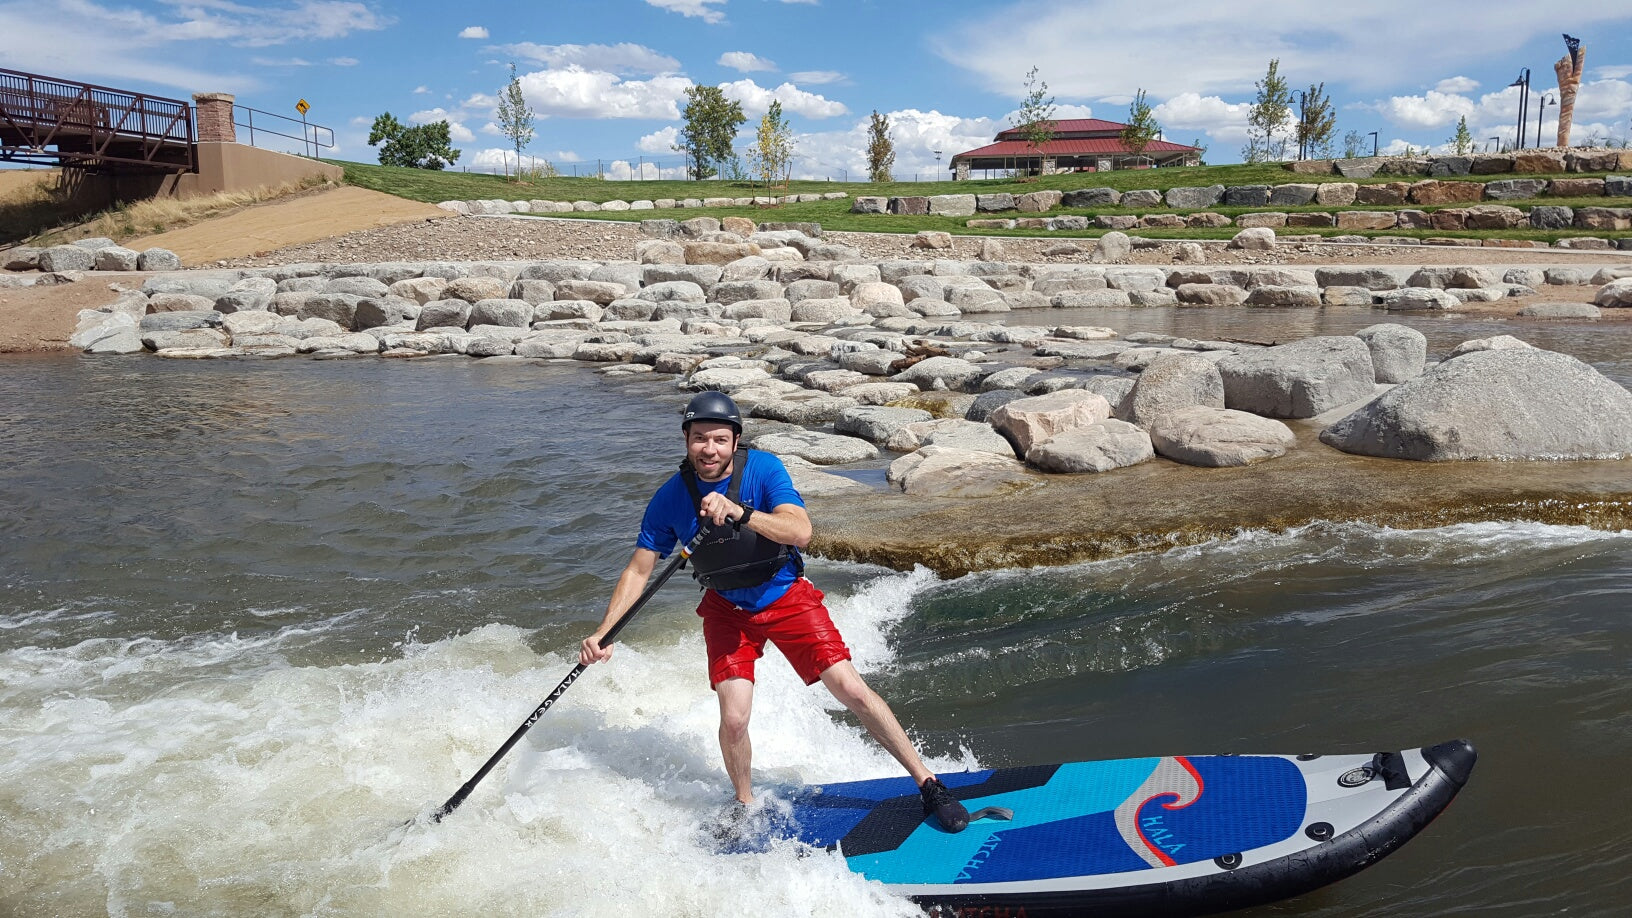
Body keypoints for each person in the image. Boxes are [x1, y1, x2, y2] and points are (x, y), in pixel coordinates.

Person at [581, 391, 970, 833]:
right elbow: (638, 570)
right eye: (700, 438)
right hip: (726, 609)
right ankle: (744, 803)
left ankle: (928, 783)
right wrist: (605, 632)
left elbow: (800, 531)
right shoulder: (670, 498)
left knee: (851, 689)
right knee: (734, 718)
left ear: (735, 441)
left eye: (720, 439)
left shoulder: (763, 470)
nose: (709, 449)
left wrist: (740, 512)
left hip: (784, 594)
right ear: (686, 440)